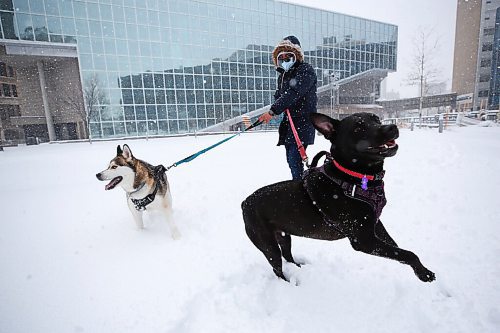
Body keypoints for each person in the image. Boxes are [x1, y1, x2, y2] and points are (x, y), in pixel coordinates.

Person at [259, 36, 318, 180]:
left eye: (288, 56)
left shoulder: (305, 70)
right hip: (289, 124)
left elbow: (293, 93)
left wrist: (273, 111)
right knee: (292, 160)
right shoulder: (283, 76)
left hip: (302, 123)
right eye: (282, 57)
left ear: (296, 55)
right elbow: (280, 96)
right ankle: (299, 186)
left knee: (295, 158)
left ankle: (300, 188)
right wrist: (274, 108)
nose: (285, 60)